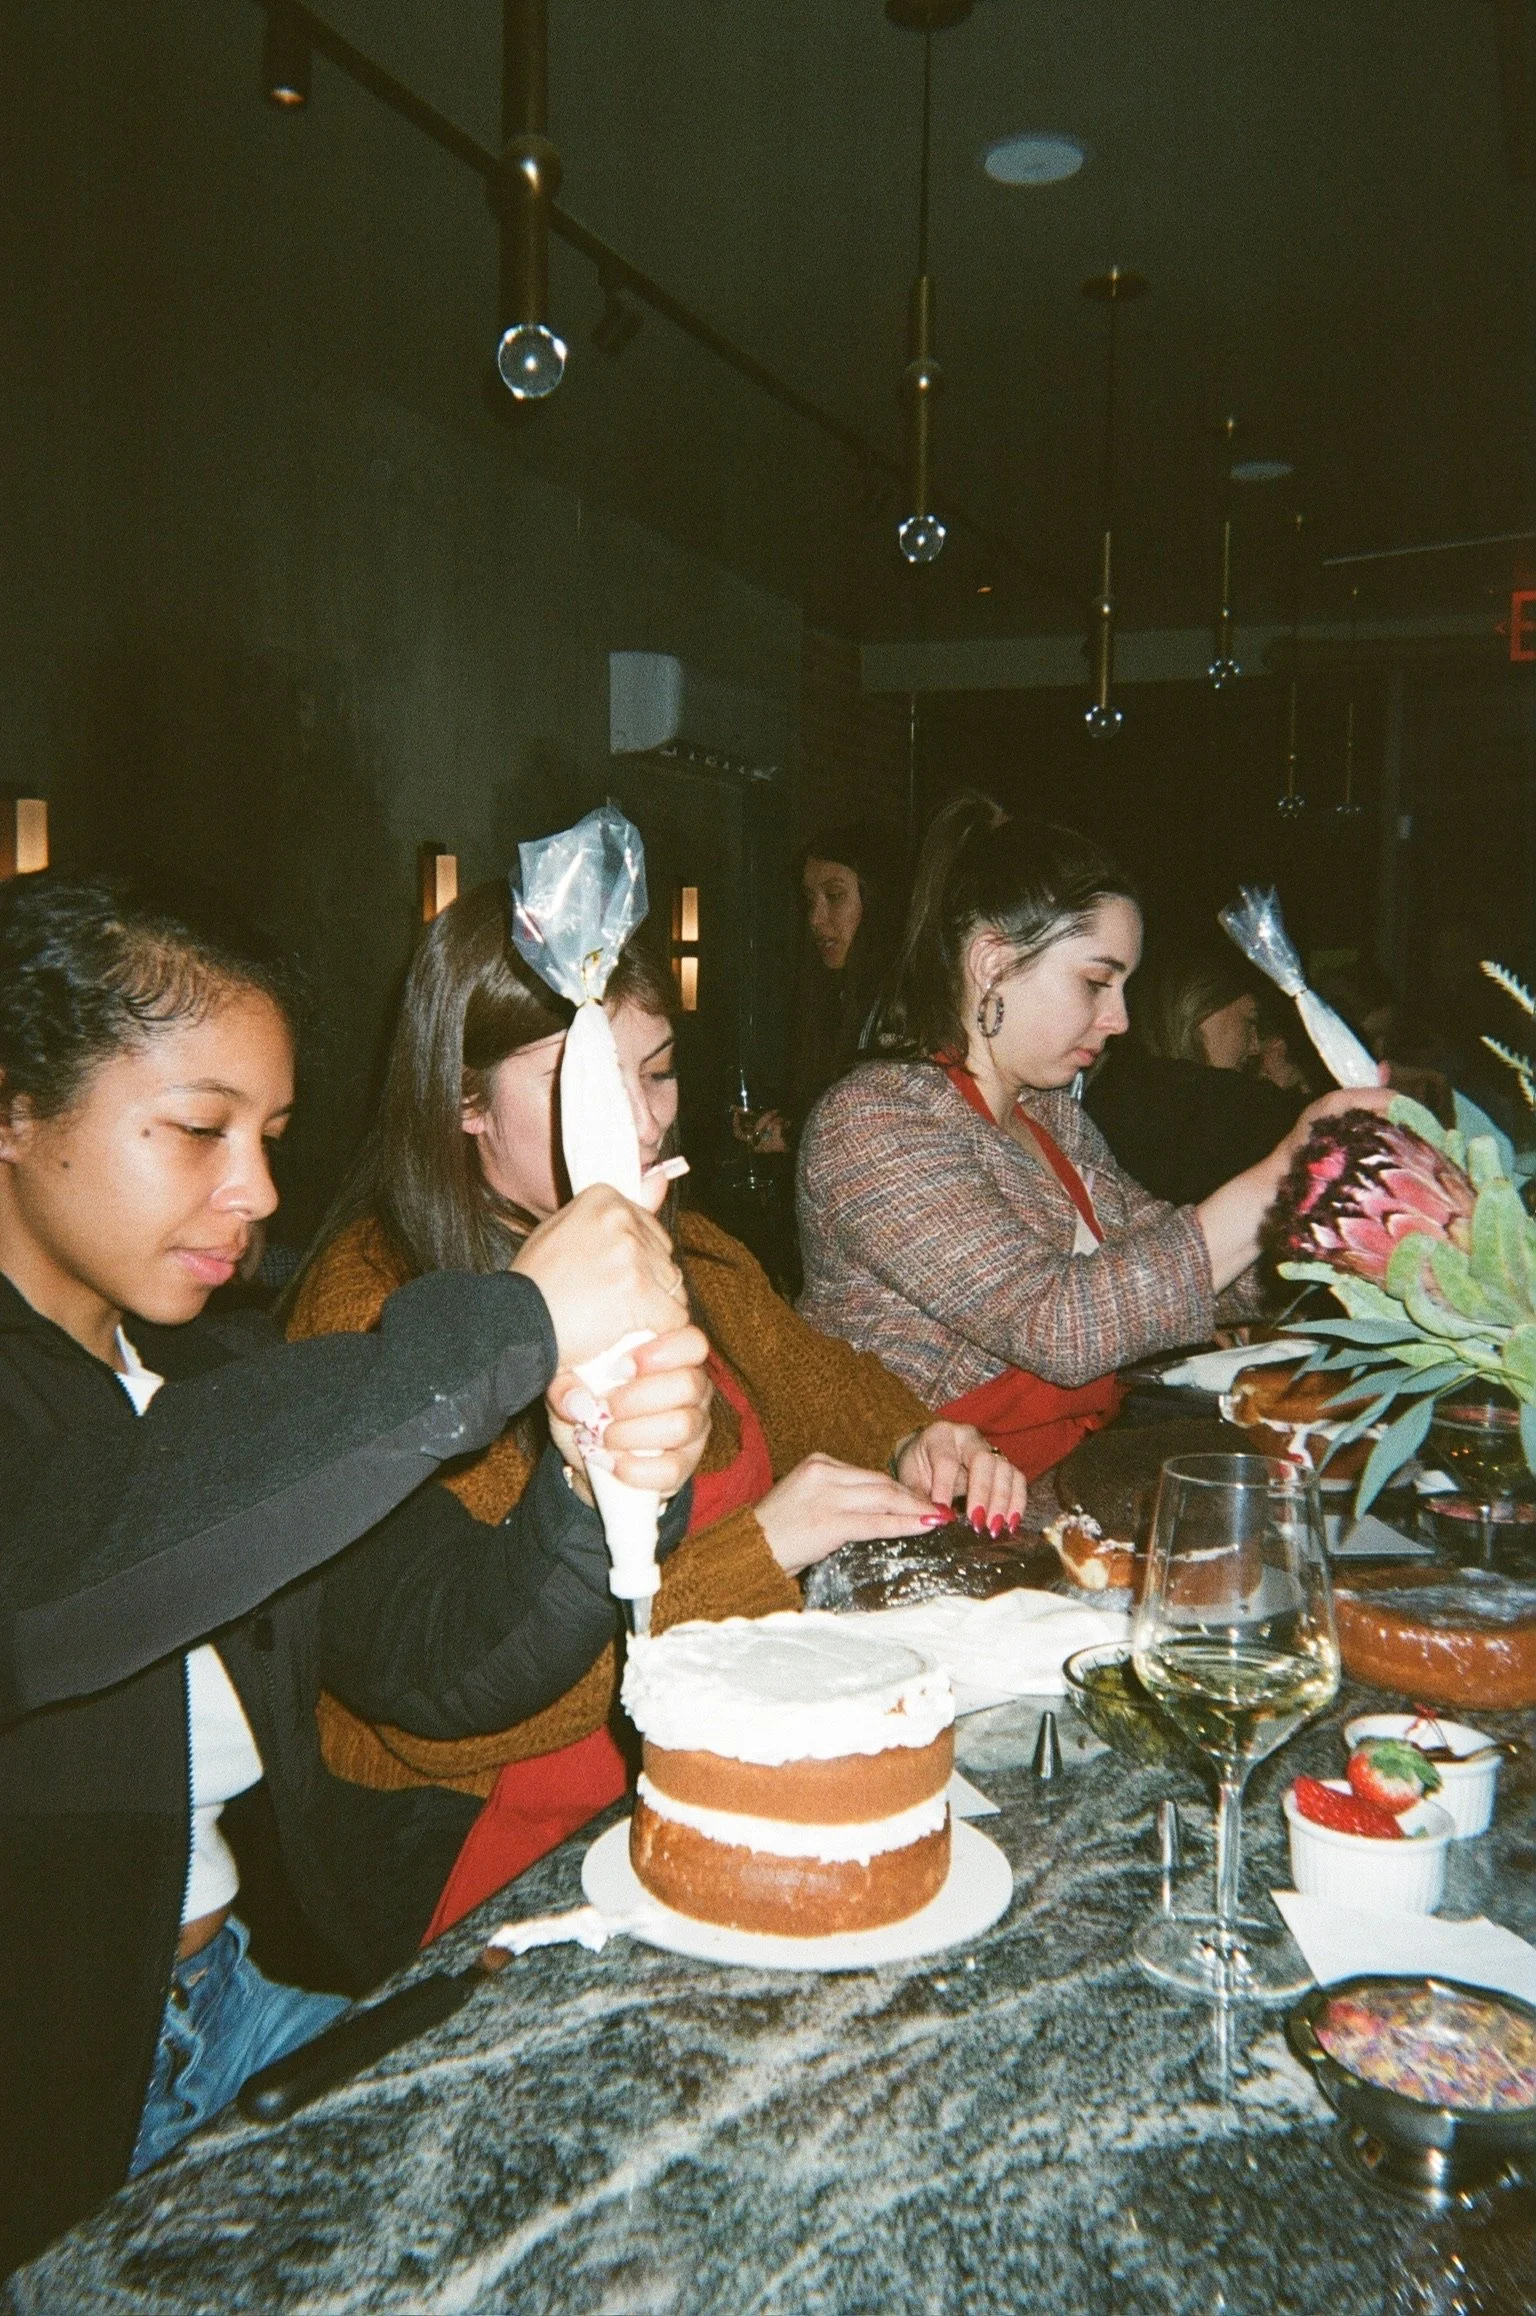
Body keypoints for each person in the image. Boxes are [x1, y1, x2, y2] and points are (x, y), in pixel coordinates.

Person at [0, 871, 711, 2275]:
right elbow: (66, 1568)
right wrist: (505, 1328)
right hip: (51, 2107)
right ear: (14, 1110)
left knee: (644, 2195)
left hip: (232, 2003)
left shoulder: (210, 1364)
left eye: (267, 1134)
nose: (258, 1189)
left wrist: (593, 1488)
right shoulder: (130, 1433)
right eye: (198, 1129)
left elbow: (441, 1661)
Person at [288, 880, 1024, 1932]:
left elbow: (816, 1378)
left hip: (712, 1737)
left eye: (661, 1071)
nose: (641, 1124)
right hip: (486, 1837)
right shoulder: (371, 1310)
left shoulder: (682, 1241)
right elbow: (452, 1714)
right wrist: (760, 1549)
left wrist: (917, 1436)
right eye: (583, 1082)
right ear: (460, 1100)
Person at [796, 793, 1390, 1481]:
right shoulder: (874, 1120)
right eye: (1096, 982)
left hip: (1056, 1487)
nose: (1120, 1019)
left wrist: (1340, 1230)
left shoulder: (1052, 1120)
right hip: (923, 1514)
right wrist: (1288, 1171)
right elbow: (1059, 1324)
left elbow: (1177, 1270)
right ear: (992, 964)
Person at [736, 819, 907, 1159]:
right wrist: (786, 1125)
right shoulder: (831, 993)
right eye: (810, 899)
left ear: (877, 901)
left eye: (834, 896)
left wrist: (799, 1139)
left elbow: (884, 1136)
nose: (815, 918)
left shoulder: (901, 1006)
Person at [1084, 943, 1302, 1205]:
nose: (1255, 1046)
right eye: (1249, 1021)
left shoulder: (1115, 1087)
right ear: (1201, 1008)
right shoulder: (1218, 1105)